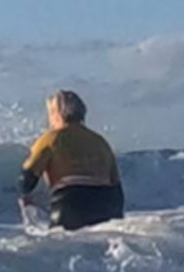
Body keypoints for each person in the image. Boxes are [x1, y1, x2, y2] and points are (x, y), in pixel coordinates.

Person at [19, 89, 124, 231]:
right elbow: (116, 188)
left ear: (57, 114)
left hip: (70, 205)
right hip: (107, 206)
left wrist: (28, 200)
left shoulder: (51, 138)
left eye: (50, 113)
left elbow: (26, 181)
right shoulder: (100, 142)